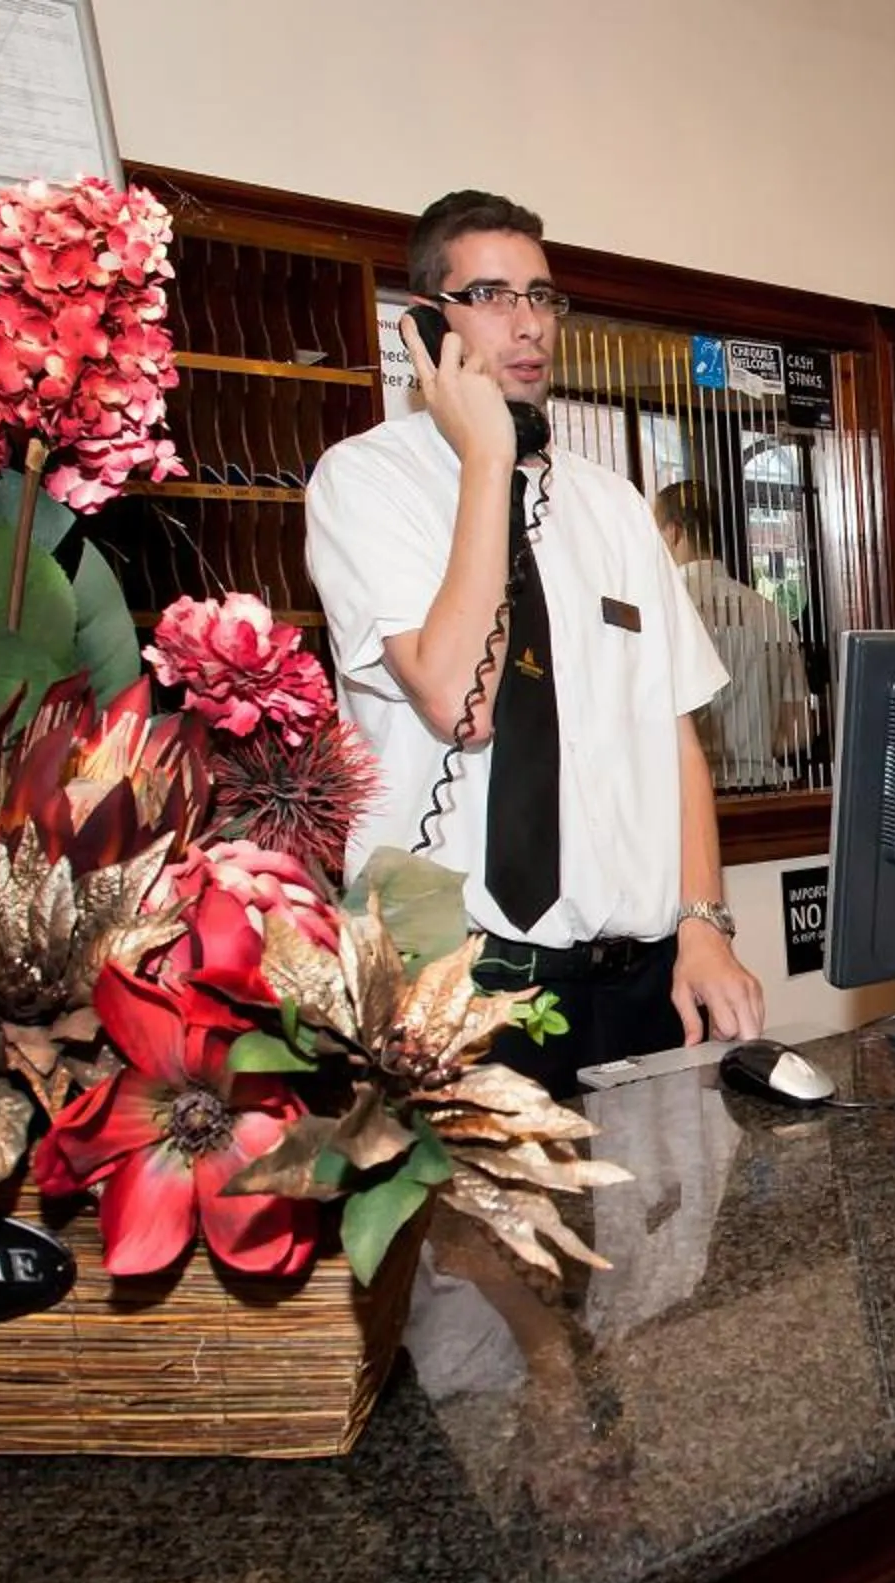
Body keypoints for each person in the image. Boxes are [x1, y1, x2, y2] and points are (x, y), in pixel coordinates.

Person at [306, 190, 763, 1091]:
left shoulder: (616, 505)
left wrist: (704, 922)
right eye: (491, 295)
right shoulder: (365, 483)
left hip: (636, 980)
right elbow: (454, 699)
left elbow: (675, 736)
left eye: (542, 296)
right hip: (456, 989)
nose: (529, 324)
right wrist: (487, 460)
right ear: (428, 326)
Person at [652, 479, 811, 791]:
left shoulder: (660, 612)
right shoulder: (771, 615)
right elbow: (799, 731)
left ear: (674, 532)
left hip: (691, 796)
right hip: (767, 794)